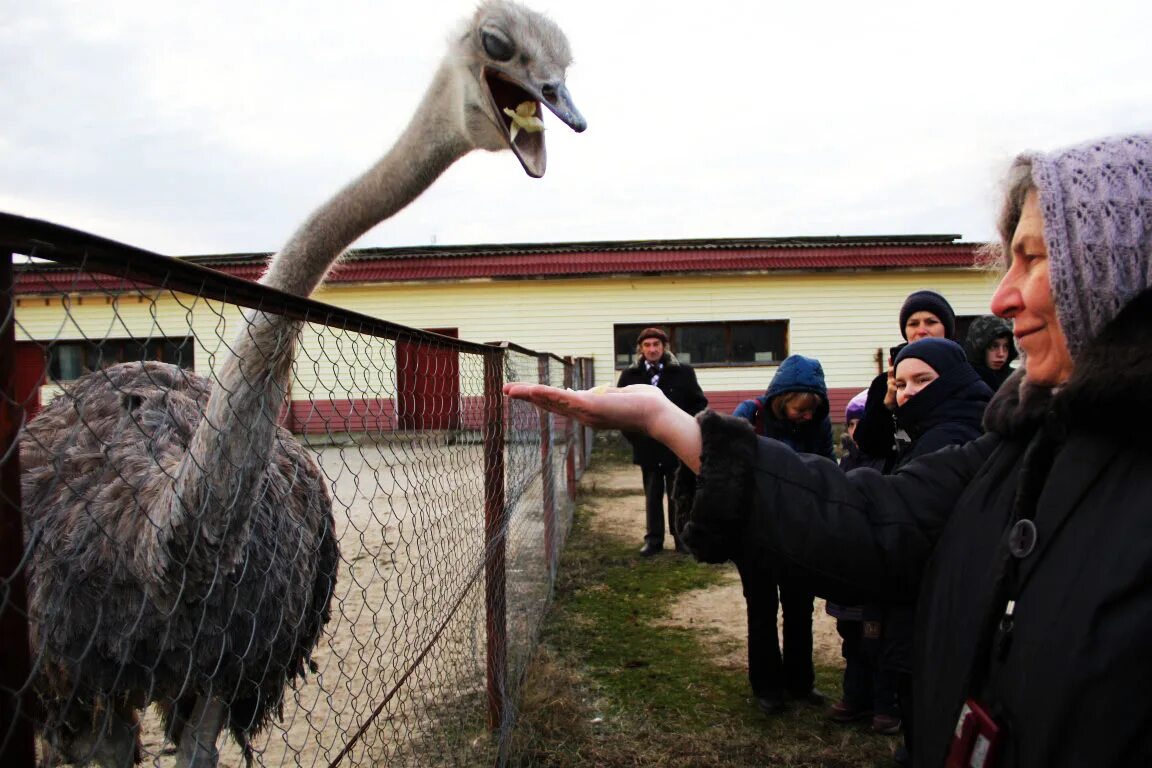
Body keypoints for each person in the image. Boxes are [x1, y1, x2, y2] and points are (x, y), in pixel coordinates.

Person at [504, 133, 1152, 766]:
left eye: (1033, 258)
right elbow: (870, 520)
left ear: (1118, 271)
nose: (1001, 297)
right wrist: (672, 424)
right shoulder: (1018, 450)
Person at [885, 337, 994, 763]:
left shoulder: (948, 435)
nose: (909, 392)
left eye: (922, 380)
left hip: (937, 598)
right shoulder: (928, 426)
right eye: (901, 382)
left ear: (951, 380)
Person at [730, 355, 833, 713]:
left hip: (798, 532)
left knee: (800, 608)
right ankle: (767, 688)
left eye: (811, 410)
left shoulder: (819, 423)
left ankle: (801, 684)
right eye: (798, 410)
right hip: (755, 532)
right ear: (781, 400)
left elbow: (827, 468)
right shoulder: (751, 414)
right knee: (761, 607)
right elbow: (728, 460)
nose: (805, 417)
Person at [827, 388, 900, 734]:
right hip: (848, 564)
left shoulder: (891, 459)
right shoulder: (844, 461)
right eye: (853, 423)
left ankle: (886, 704)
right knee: (851, 640)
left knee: (879, 642)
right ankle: (854, 697)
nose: (858, 430)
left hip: (876, 565)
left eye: (864, 423)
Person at [615, 326, 707, 556]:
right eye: (647, 345)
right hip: (648, 448)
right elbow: (620, 412)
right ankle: (653, 540)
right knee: (652, 495)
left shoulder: (683, 373)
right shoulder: (630, 376)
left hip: (677, 447)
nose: (652, 349)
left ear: (664, 347)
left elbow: (699, 404)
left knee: (679, 495)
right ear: (640, 349)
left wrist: (686, 430)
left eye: (656, 345)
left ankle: (682, 539)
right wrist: (637, 438)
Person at [853, 290, 956, 472]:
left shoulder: (965, 373)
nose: (922, 330)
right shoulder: (884, 383)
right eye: (913, 324)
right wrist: (887, 405)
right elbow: (868, 445)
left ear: (946, 328)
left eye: (931, 322)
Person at [964, 315, 1018, 392]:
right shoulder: (964, 381)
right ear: (980, 347)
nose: (1001, 354)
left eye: (1006, 346)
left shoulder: (1018, 381)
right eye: (994, 346)